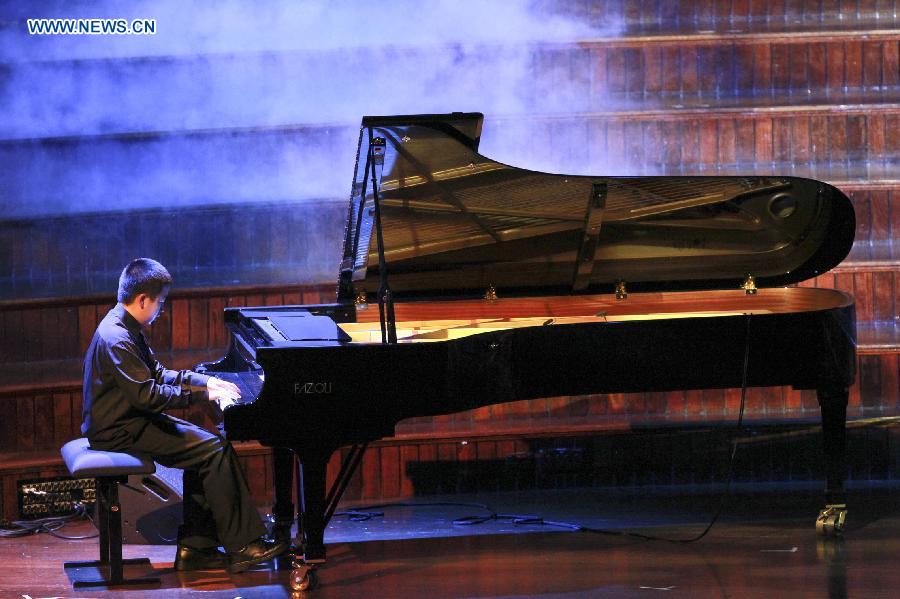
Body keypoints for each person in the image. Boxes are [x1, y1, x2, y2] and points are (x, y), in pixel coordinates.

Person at [81, 258, 286, 573]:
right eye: (160, 303)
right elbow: (148, 396)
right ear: (143, 300)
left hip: (128, 418)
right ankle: (244, 546)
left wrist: (205, 383)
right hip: (118, 429)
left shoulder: (124, 324)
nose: (161, 310)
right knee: (214, 451)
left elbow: (158, 373)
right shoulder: (118, 337)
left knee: (205, 447)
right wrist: (200, 395)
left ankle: (197, 549)